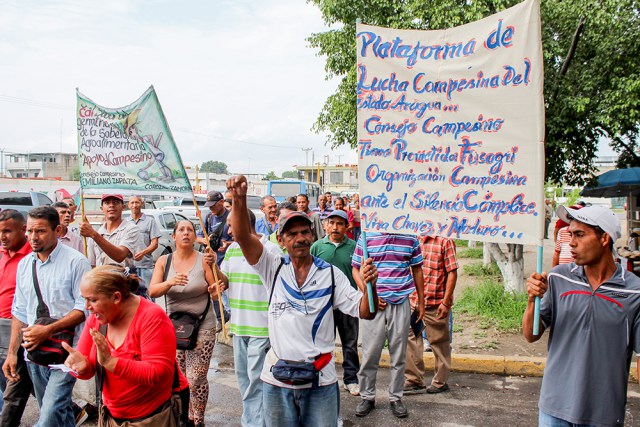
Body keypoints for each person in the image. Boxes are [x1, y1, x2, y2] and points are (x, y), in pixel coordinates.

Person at [226, 175, 378, 427]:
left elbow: (366, 312)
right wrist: (239, 199)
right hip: (277, 379)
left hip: (321, 380)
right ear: (282, 240)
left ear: (312, 235)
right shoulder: (272, 267)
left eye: (305, 232)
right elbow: (243, 237)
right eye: (292, 234)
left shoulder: (330, 274)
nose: (300, 238)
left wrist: (370, 285)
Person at [523, 205, 640, 426]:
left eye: (580, 235)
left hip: (604, 413)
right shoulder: (559, 279)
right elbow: (530, 335)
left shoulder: (634, 292)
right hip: (553, 408)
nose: (571, 243)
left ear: (604, 239)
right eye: (570, 234)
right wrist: (532, 300)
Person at [63, 265, 190, 426]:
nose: (87, 307)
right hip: (112, 417)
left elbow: (160, 373)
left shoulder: (152, 318)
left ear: (116, 297)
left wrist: (111, 362)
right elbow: (88, 368)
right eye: (85, 299)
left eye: (93, 300)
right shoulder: (97, 319)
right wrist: (80, 368)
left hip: (154, 416)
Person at [4, 206, 91, 427]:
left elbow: (84, 308)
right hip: (35, 352)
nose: (33, 237)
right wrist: (13, 353)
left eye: (40, 231)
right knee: (57, 413)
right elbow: (20, 311)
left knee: (49, 415)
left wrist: (48, 330)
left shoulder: (76, 262)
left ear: (57, 230)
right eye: (30, 231)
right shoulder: (25, 264)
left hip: (68, 353)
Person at [150, 219, 222, 427]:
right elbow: (153, 291)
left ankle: (197, 420)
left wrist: (215, 290)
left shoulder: (203, 260)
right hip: (173, 328)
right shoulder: (164, 262)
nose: (186, 233)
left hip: (202, 326)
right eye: (181, 230)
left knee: (196, 378)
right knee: (179, 378)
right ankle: (183, 416)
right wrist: (169, 282)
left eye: (190, 229)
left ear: (194, 236)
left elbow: (215, 290)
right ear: (173, 236)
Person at [352, 232, 424, 419]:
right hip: (374, 305)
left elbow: (417, 268)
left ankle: (395, 397)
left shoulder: (410, 236)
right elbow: (355, 269)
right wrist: (369, 293)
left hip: (401, 302)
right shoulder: (366, 236)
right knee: (370, 352)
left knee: (399, 353)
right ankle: (367, 396)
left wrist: (421, 302)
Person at [221, 209, 282, 427]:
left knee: (257, 382)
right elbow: (224, 280)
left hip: (262, 327)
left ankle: (254, 424)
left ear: (243, 223)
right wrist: (209, 265)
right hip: (239, 327)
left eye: (231, 225)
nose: (228, 230)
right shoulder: (231, 251)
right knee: (244, 381)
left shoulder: (271, 249)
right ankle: (254, 420)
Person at [310, 210, 360, 396]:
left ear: (347, 227)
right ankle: (323, 377)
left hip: (347, 303)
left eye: (340, 224)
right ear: (325, 225)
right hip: (323, 304)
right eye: (332, 223)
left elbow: (360, 272)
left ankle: (351, 379)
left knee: (350, 343)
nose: (335, 227)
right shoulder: (316, 247)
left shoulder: (354, 247)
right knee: (323, 343)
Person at [404, 236, 458, 395]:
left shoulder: (445, 241)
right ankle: (414, 380)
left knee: (439, 343)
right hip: (414, 302)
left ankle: (440, 382)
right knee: (411, 340)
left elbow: (452, 272)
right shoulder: (413, 239)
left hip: (435, 303)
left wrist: (446, 302)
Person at [0, 210, 32, 426]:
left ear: (23, 230)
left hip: (20, 326)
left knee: (14, 381)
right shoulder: (2, 253)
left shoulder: (33, 257)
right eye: (0, 231)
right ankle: (73, 410)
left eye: (7, 231)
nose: (2, 236)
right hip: (0, 323)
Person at [80, 193, 141, 273]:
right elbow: (92, 265)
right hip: (101, 282)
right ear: (102, 208)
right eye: (107, 202)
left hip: (123, 282)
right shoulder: (97, 233)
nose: (111, 205)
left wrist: (93, 235)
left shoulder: (131, 229)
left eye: (115, 202)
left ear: (123, 207)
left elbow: (120, 256)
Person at [196, 190, 232, 327]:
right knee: (215, 291)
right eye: (209, 206)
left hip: (226, 261)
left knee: (226, 291)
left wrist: (228, 244)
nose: (211, 208)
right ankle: (221, 319)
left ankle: (228, 321)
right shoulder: (208, 218)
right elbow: (198, 237)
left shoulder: (230, 217)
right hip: (212, 262)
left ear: (222, 202)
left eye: (213, 205)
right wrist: (206, 241)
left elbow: (239, 239)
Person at [126, 195, 161, 291]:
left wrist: (143, 253)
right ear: (128, 205)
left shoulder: (150, 221)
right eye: (132, 203)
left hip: (145, 266)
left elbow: (155, 243)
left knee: (148, 294)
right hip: (129, 266)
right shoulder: (125, 223)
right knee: (130, 296)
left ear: (142, 204)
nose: (134, 205)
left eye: (137, 202)